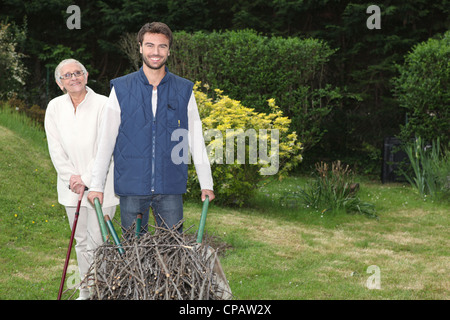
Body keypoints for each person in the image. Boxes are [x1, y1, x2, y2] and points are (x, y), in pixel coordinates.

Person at [88, 22, 214, 233]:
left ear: (169, 50)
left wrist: (206, 183)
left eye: (162, 46)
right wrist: (96, 186)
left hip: (170, 186)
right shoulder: (121, 88)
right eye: (149, 45)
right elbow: (106, 141)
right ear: (140, 47)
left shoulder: (183, 89)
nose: (156, 52)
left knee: (173, 250)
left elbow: (196, 139)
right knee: (134, 254)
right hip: (132, 186)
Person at [44, 59, 119, 300]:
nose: (73, 77)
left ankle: (102, 291)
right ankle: (86, 292)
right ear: (59, 83)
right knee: (81, 242)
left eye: (78, 72)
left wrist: (86, 178)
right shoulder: (54, 107)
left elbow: (106, 148)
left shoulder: (104, 104)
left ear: (86, 76)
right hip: (70, 189)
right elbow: (55, 149)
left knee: (99, 242)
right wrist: (72, 179)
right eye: (67, 75)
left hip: (102, 186)